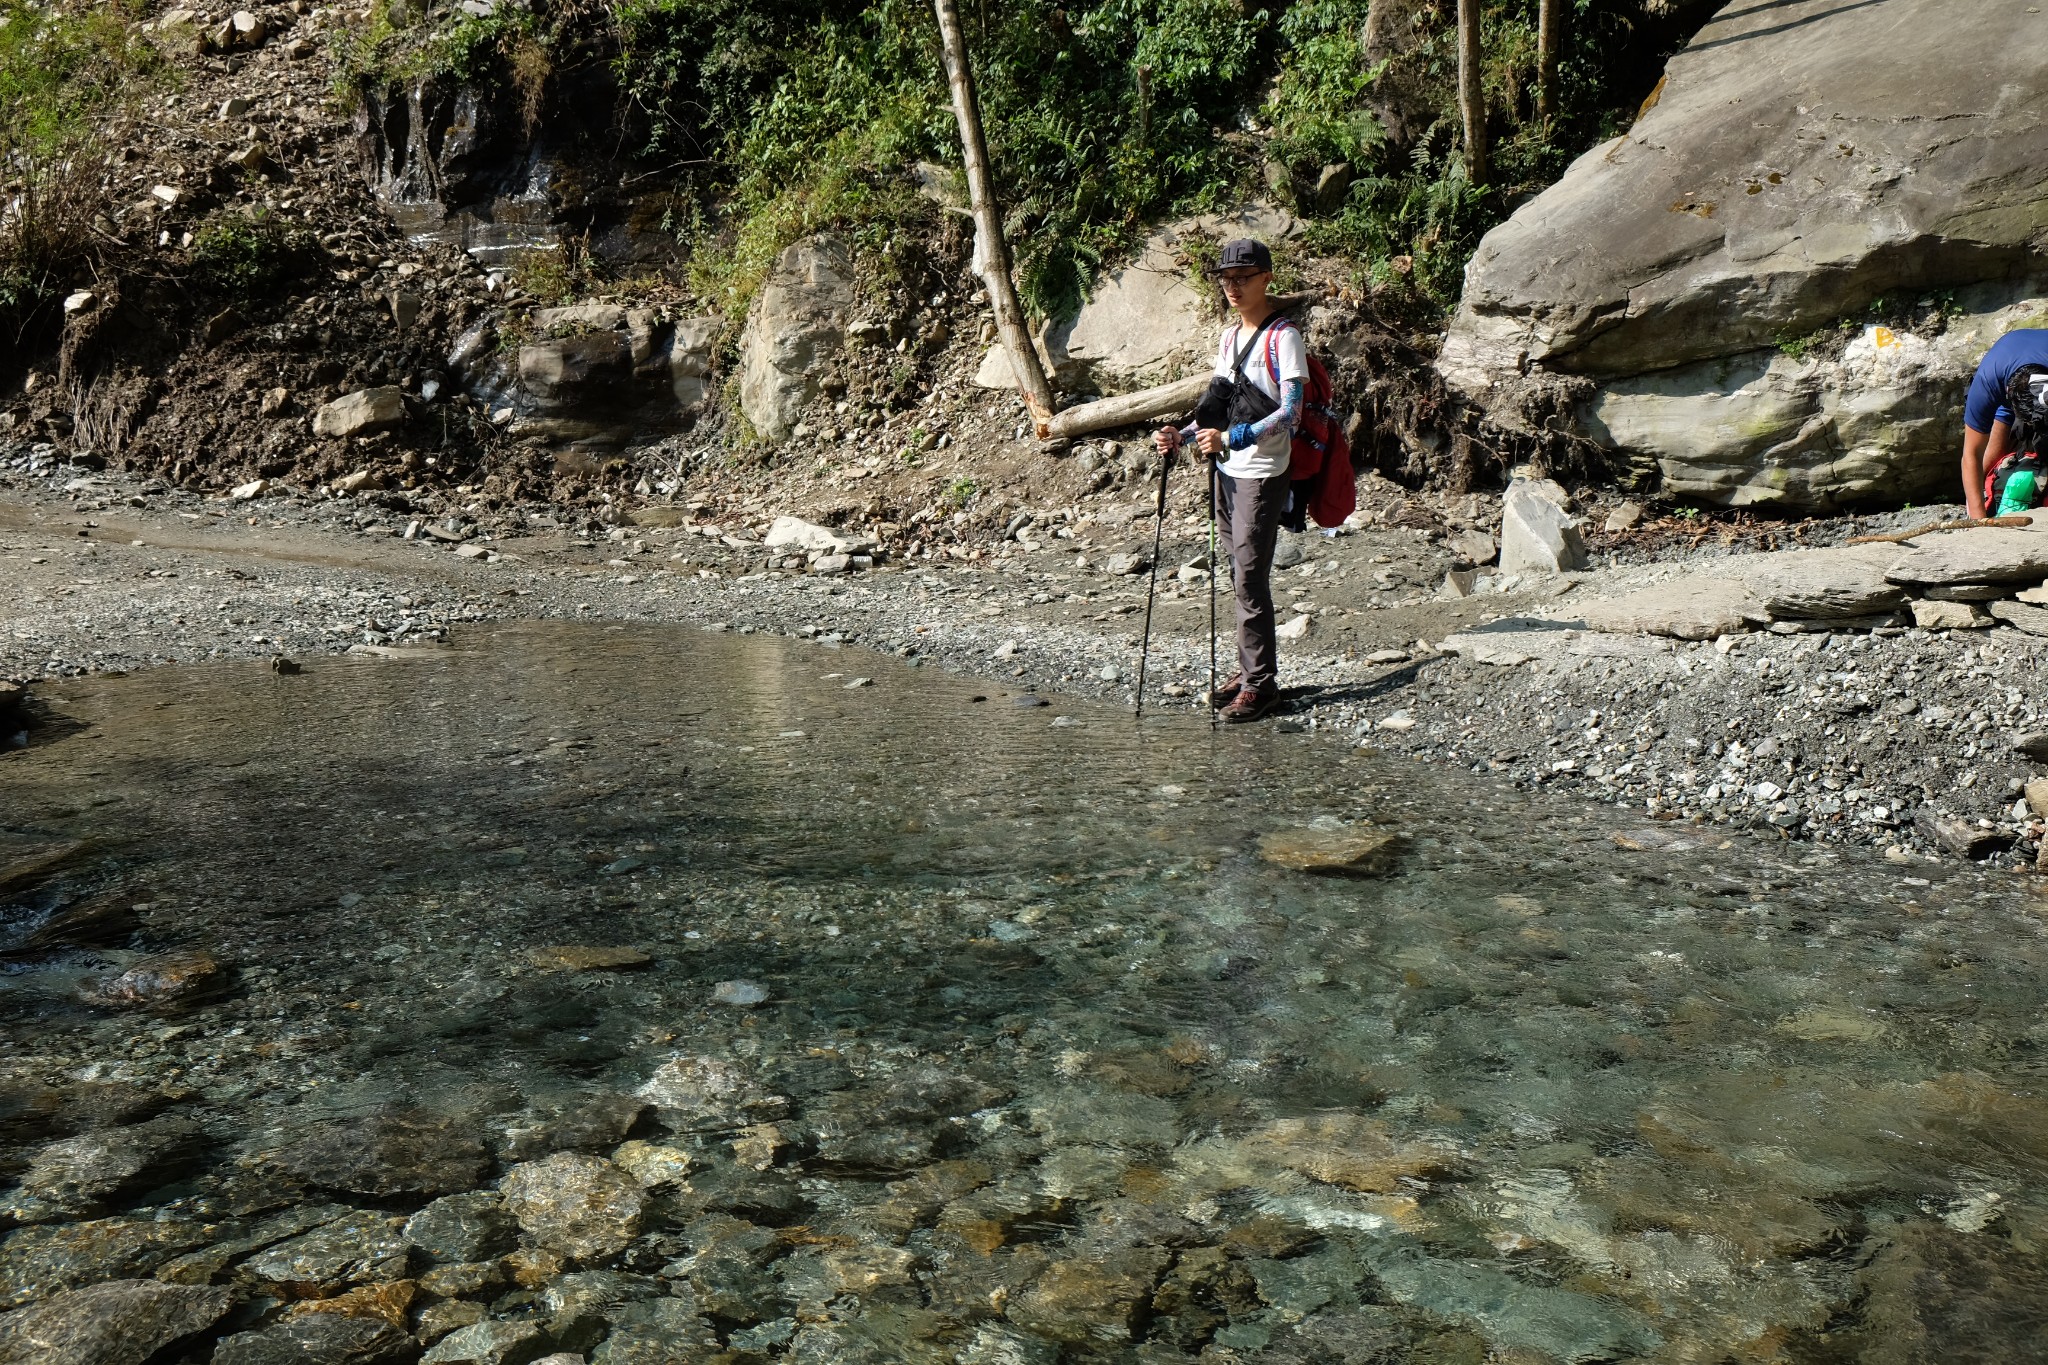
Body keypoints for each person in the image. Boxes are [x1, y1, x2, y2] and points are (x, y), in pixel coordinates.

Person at [1153, 238, 1308, 723]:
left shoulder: (1284, 338)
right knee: (1241, 573)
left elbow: (1292, 413)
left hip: (1262, 472)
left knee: (1248, 577)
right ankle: (1248, 673)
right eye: (1226, 279)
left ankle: (1262, 686)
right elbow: (1218, 409)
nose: (1233, 286)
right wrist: (1182, 433)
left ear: (1266, 278)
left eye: (1243, 277)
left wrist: (1235, 438)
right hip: (1225, 472)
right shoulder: (1227, 339)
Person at [1960, 329, 2048, 518]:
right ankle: (1978, 501)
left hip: (2032, 363)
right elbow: (1970, 454)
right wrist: (1978, 522)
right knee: (1986, 458)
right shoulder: (1986, 385)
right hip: (2003, 373)